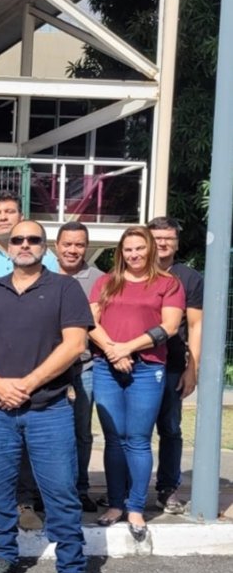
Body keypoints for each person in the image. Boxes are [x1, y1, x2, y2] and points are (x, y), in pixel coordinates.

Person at [0, 219, 96, 573]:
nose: (24, 244)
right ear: (8, 247)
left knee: (61, 492)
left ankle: (71, 569)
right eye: (17, 239)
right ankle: (4, 555)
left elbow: (75, 344)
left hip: (48, 408)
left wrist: (27, 384)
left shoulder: (65, 289)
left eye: (33, 239)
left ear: (44, 246)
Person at [0, 192, 58, 529]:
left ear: (21, 216)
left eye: (10, 211)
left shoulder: (47, 260)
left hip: (34, 369)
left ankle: (25, 502)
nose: (3, 217)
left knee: (28, 440)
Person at [88, 226, 184, 541]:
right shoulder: (105, 282)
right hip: (107, 367)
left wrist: (126, 348)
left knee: (139, 439)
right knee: (114, 439)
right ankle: (116, 504)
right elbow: (90, 322)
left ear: (150, 249)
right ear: (121, 252)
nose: (134, 254)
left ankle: (136, 508)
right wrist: (113, 352)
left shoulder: (169, 284)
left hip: (147, 368)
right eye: (128, 249)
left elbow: (169, 326)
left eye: (140, 248)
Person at [147, 216, 203, 514]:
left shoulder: (189, 278)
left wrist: (192, 368)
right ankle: (125, 491)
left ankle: (167, 489)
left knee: (170, 428)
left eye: (168, 238)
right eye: (157, 238)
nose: (163, 243)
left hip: (171, 365)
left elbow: (195, 325)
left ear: (177, 243)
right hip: (135, 365)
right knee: (132, 433)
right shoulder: (131, 272)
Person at [54, 221, 101, 512]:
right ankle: (44, 490)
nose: (73, 250)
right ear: (56, 246)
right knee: (47, 432)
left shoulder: (99, 279)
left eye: (79, 245)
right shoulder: (41, 272)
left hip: (83, 367)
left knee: (81, 431)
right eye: (67, 244)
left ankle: (80, 489)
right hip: (46, 367)